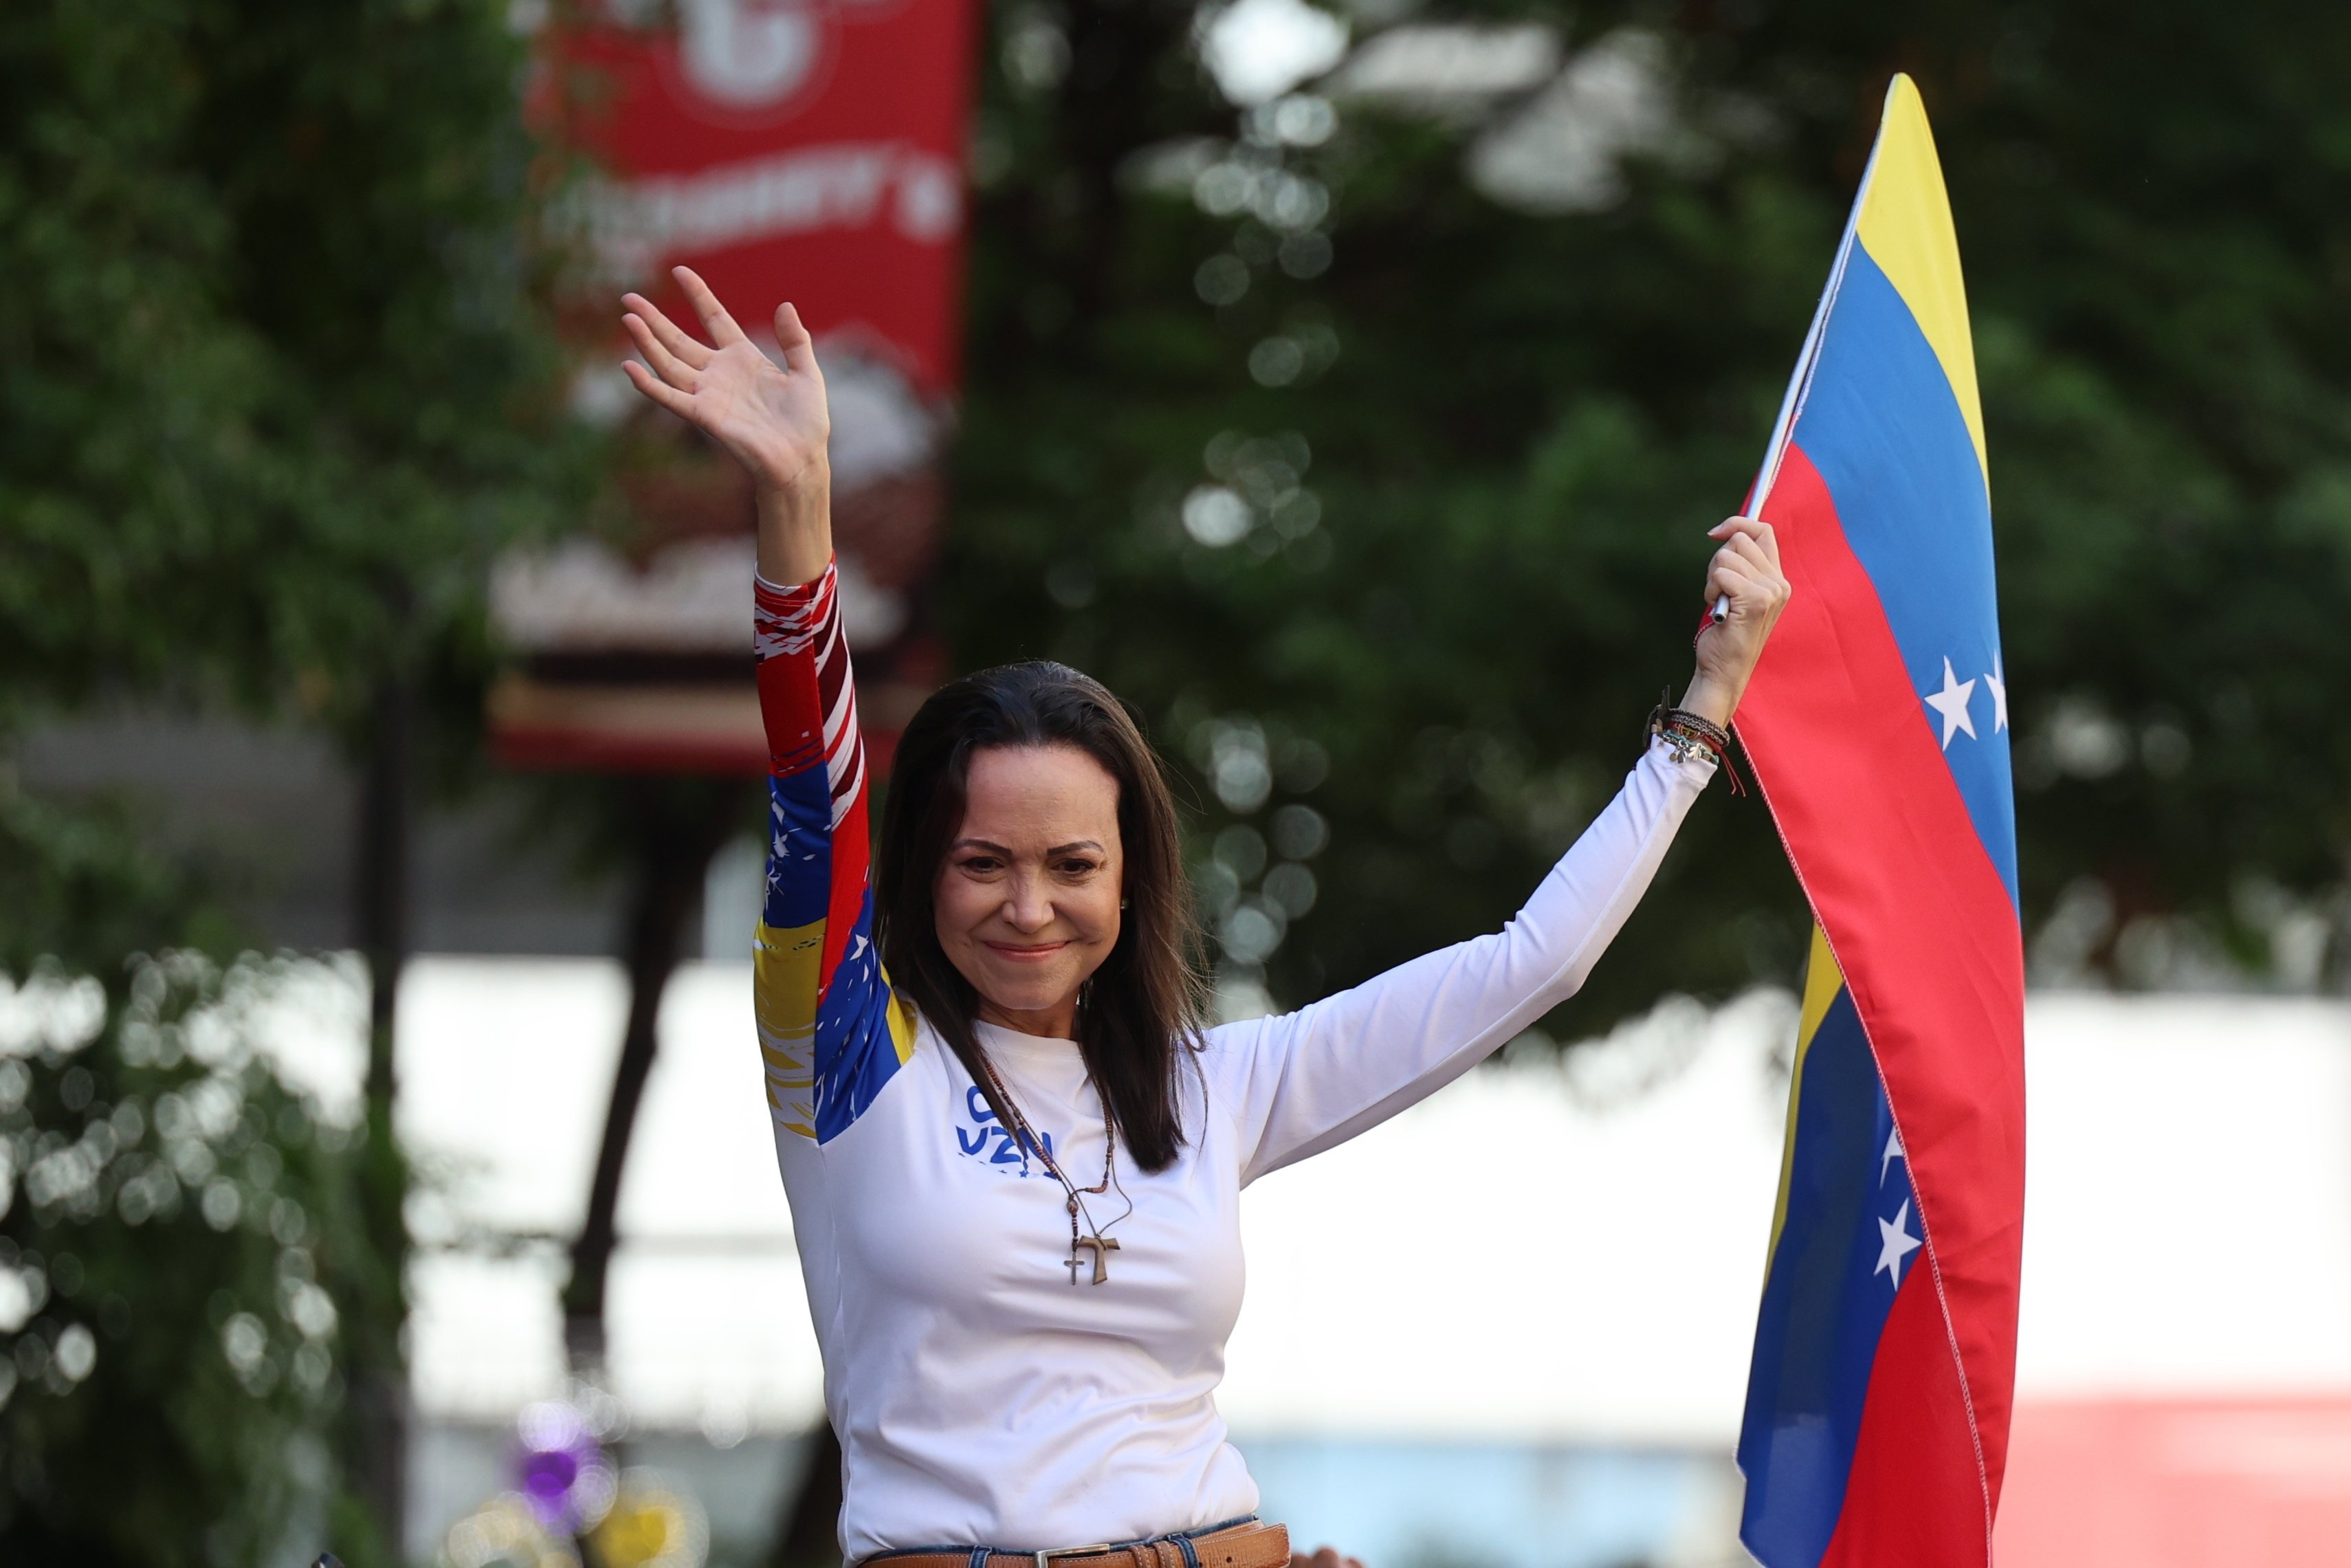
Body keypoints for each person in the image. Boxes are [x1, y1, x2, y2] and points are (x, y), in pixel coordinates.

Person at [619, 267, 1790, 1568]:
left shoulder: (1210, 1086)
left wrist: (1706, 708)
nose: (1029, 905)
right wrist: (796, 508)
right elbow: (813, 794)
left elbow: (1534, 965)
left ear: (1130, 880)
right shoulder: (847, 1049)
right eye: (981, 862)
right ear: (919, 877)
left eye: (1072, 863)